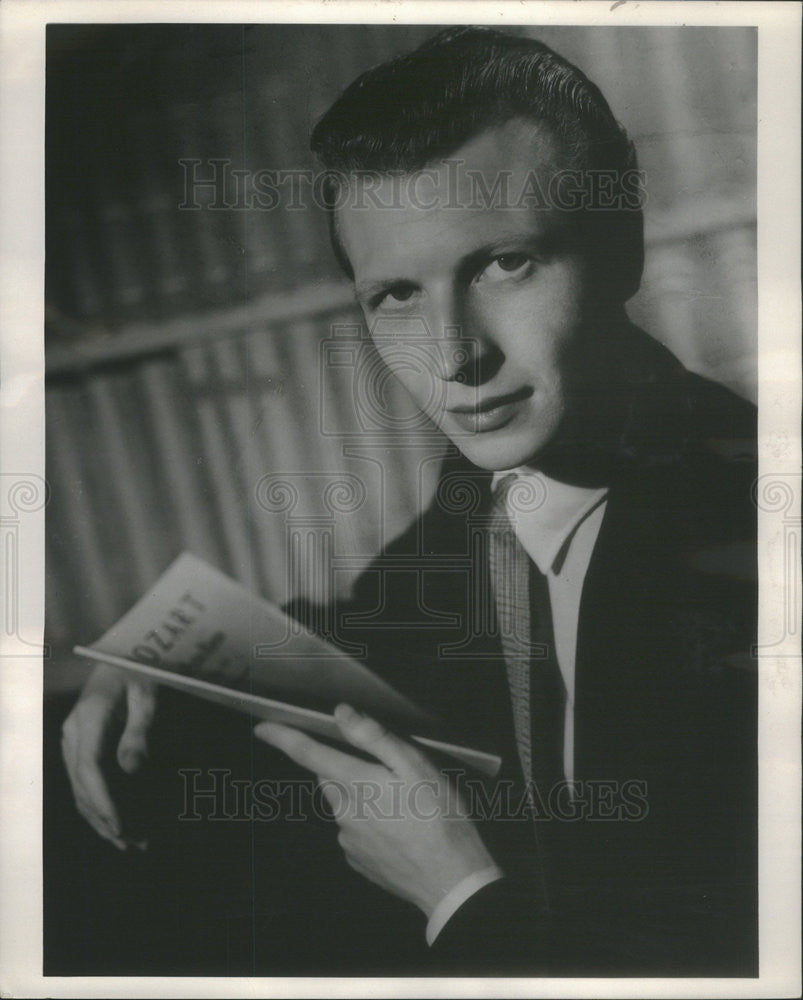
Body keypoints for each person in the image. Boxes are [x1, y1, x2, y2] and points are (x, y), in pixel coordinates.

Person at [60, 27, 758, 975]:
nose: (454, 357)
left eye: (503, 263)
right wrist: (156, 658)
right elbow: (376, 630)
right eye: (394, 294)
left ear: (621, 247)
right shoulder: (477, 503)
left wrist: (462, 898)